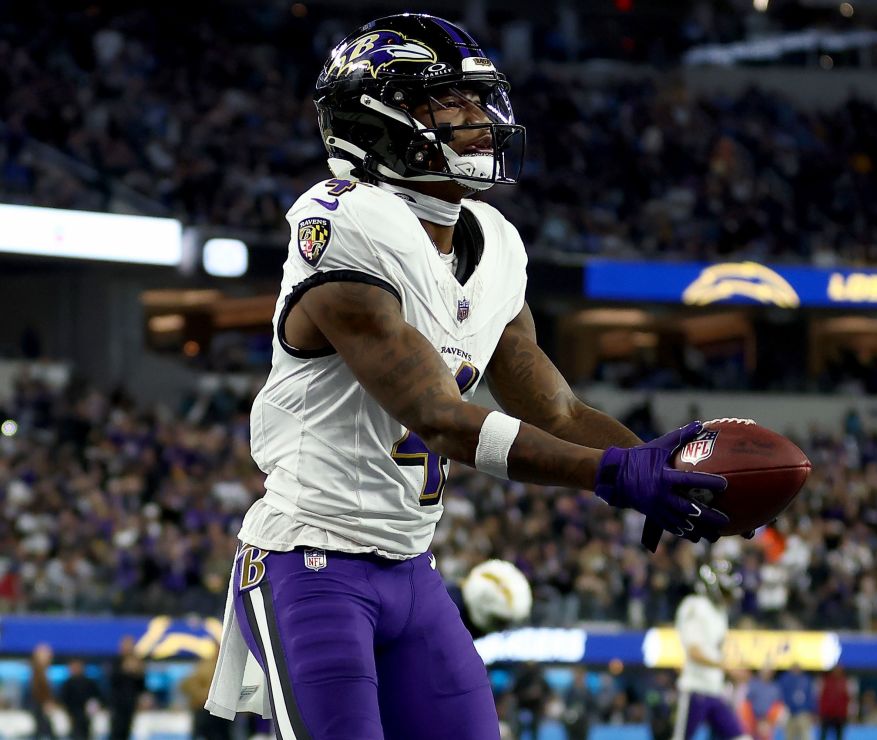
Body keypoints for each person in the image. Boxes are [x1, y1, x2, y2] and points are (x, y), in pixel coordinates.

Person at [204, 13, 730, 740]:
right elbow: (441, 417)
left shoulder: (497, 244)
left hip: (412, 570)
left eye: (478, 101)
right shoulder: (343, 222)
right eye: (445, 103)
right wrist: (611, 476)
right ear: (375, 120)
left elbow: (558, 410)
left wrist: (655, 463)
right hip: (309, 561)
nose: (477, 120)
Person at [671, 562, 745, 740]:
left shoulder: (719, 612)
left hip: (715, 689)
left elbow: (715, 649)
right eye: (726, 593)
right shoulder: (695, 606)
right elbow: (695, 652)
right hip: (695, 689)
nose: (728, 599)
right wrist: (727, 667)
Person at [108, 636, 145, 740]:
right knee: (116, 731)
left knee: (126, 732)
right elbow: (112, 680)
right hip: (117, 704)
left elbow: (141, 686)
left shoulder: (138, 663)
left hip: (130, 704)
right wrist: (126, 670)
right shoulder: (115, 662)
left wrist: (138, 673)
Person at [58, 660, 101, 740]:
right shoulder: (67, 683)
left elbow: (97, 698)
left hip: (87, 714)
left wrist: (93, 709)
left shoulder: (89, 682)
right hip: (72, 714)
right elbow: (62, 699)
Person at [778, 665, 815, 740]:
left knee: (805, 736)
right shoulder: (786, 679)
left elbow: (811, 696)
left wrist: (812, 711)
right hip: (789, 713)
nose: (796, 670)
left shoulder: (805, 679)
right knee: (789, 736)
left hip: (803, 713)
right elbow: (782, 696)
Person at [28, 643, 56, 740]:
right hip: (37, 713)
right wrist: (46, 703)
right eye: (46, 655)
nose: (49, 658)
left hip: (42, 713)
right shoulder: (36, 674)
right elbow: (35, 694)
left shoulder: (45, 673)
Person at [817, 667, 849, 740]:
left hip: (840, 715)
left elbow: (847, 699)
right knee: (823, 736)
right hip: (827, 715)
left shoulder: (844, 682)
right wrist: (821, 713)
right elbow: (822, 698)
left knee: (839, 736)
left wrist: (845, 714)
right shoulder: (827, 681)